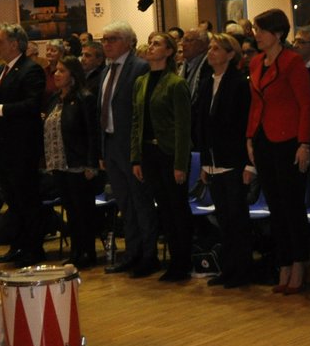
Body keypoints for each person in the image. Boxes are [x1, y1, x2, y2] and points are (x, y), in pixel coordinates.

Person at [245, 9, 310, 295]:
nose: (256, 35)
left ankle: (298, 263)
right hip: (263, 138)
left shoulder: (292, 61)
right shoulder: (256, 63)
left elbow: (306, 105)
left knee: (291, 206)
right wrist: (250, 136)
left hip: (288, 140)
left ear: (276, 34)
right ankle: (283, 263)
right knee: (275, 206)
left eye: (260, 30)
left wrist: (304, 143)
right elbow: (255, 103)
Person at [0, 23, 48, 266]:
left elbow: (33, 104)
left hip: (21, 146)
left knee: (26, 199)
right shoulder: (1, 70)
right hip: (3, 145)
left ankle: (33, 248)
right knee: (13, 201)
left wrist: (0, 110)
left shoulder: (31, 70)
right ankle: (17, 246)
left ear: (15, 44)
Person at [130, 32, 193, 281]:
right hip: (149, 153)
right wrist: (136, 158)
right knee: (163, 210)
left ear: (168, 52)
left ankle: (182, 262)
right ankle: (172, 263)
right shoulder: (141, 81)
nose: (151, 47)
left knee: (177, 208)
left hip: (168, 153)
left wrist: (180, 163)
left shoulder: (176, 83)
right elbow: (137, 122)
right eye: (151, 42)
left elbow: (183, 127)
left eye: (157, 44)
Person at [92, 22, 153, 274]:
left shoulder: (139, 68)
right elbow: (102, 111)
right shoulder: (106, 71)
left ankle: (148, 257)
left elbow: (142, 112)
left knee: (141, 203)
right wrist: (102, 151)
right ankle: (131, 254)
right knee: (125, 204)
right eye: (104, 39)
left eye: (113, 39)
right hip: (111, 144)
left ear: (128, 42)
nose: (106, 44)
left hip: (131, 145)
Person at [194, 33, 253, 287]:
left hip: (234, 161)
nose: (211, 52)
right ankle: (228, 268)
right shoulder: (207, 82)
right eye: (210, 48)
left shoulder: (239, 83)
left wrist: (249, 164)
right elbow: (203, 126)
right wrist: (205, 163)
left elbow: (243, 126)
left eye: (217, 48)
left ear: (230, 54)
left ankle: (243, 269)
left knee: (237, 218)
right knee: (224, 218)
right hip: (213, 161)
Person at [46, 57, 101, 269]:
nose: (57, 74)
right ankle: (76, 252)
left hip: (78, 164)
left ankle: (88, 251)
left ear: (73, 75)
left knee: (83, 211)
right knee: (70, 210)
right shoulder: (54, 99)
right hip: (58, 163)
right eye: (56, 71)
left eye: (62, 71)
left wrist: (91, 163)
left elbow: (91, 132)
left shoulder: (84, 98)